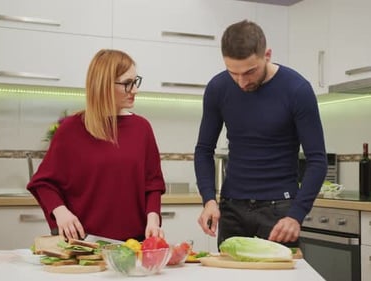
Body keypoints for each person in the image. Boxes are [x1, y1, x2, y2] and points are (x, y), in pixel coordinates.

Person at [194, 20, 327, 248]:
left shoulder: (297, 90)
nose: (242, 82)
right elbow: (203, 151)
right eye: (233, 73)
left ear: (267, 54)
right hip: (232, 208)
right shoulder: (217, 88)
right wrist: (209, 200)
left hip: (280, 210)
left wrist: (296, 214)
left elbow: (317, 160)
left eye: (249, 72)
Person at [27, 49, 166, 241]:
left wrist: (153, 221)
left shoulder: (142, 128)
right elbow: (43, 183)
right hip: (85, 244)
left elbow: (153, 184)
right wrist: (61, 213)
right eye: (127, 84)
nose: (135, 90)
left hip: (133, 244)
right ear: (104, 85)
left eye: (135, 81)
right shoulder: (71, 128)